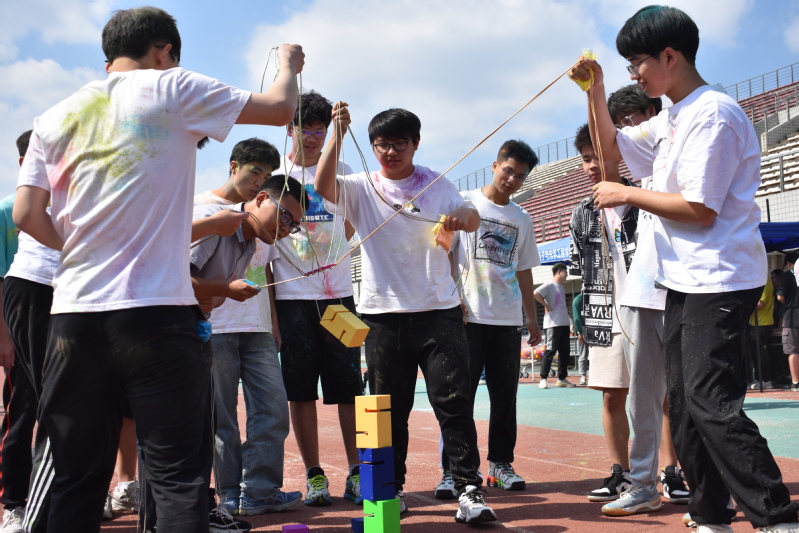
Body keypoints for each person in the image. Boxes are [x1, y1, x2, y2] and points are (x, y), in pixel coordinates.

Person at [12, 6, 304, 531]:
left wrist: (85, 249)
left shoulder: (53, 117)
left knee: (76, 476)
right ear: (164, 51)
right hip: (156, 315)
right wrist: (288, 63)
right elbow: (281, 108)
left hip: (73, 315)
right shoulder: (171, 86)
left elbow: (27, 215)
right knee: (174, 478)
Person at [570, 5, 799, 531]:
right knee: (686, 403)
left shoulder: (713, 114)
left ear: (670, 56)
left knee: (709, 399)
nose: (635, 75)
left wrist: (627, 193)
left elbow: (700, 208)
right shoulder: (671, 115)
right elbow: (610, 151)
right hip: (681, 279)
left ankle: (777, 515)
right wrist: (594, 90)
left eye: (637, 64)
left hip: (719, 277)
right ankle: (710, 513)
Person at [315, 104, 497, 524]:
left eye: (400, 144)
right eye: (382, 145)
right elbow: (322, 186)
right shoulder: (361, 187)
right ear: (372, 146)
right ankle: (390, 490)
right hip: (382, 317)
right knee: (387, 409)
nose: (390, 152)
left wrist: (464, 217)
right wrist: (336, 133)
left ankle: (468, 488)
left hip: (439, 312)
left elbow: (471, 216)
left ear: (415, 144)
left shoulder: (436, 183)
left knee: (453, 402)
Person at [194, 139, 303, 516]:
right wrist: (224, 291)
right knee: (221, 417)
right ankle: (228, 495)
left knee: (272, 410)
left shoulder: (257, 231)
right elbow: (179, 277)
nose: (259, 180)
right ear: (233, 166)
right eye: (255, 172)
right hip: (214, 328)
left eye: (266, 174)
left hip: (256, 327)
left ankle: (259, 491)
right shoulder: (209, 215)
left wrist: (273, 322)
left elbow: (267, 271)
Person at [271, 90, 364, 507]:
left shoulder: (343, 171)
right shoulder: (276, 176)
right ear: (289, 129)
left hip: (338, 298)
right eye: (304, 130)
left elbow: (350, 226)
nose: (311, 138)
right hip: (291, 299)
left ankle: (357, 472)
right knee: (300, 391)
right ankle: (314, 475)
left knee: (349, 389)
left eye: (319, 131)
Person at [435, 140, 541, 498]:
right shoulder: (464, 203)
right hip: (468, 316)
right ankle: (452, 470)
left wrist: (531, 316)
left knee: (505, 397)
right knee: (458, 398)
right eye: (508, 170)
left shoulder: (521, 218)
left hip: (507, 319)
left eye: (520, 176)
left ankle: (500, 464)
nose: (512, 179)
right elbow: (443, 251)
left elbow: (524, 269)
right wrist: (452, 298)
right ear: (495, 165)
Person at [568, 124, 635, 505]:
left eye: (596, 156)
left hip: (647, 305)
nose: (591, 165)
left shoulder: (642, 199)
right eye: (585, 159)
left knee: (662, 397)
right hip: (603, 311)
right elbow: (583, 269)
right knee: (612, 394)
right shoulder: (581, 212)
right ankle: (620, 473)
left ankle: (670, 471)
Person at [0, 130, 34, 533]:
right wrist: (5, 337)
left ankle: (62, 497)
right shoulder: (7, 211)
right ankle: (14, 504)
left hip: (64, 326)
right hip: (20, 327)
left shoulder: (64, 207)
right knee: (20, 418)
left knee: (70, 418)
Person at [534, 263, 575, 388]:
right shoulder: (549, 284)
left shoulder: (561, 287)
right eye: (565, 272)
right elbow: (536, 293)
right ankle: (543, 379)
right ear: (559, 272)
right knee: (550, 351)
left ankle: (561, 378)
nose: (566, 275)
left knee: (565, 352)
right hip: (553, 324)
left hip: (564, 323)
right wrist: (546, 305)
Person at [747, 272, 775, 390]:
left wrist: (744, 307)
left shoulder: (764, 281)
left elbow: (760, 303)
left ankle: (765, 380)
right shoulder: (760, 280)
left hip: (762, 322)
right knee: (755, 352)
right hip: (756, 322)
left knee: (760, 352)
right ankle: (759, 378)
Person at [776, 253, 799, 392]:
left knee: (793, 349)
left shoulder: (788, 275)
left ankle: (796, 382)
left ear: (789, 264)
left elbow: (780, 296)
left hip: (792, 316)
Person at [572, 292, 589, 385]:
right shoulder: (578, 300)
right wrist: (579, 332)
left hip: (596, 329)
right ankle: (582, 376)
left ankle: (595, 376)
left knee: (596, 354)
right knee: (583, 354)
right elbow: (577, 318)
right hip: (584, 330)